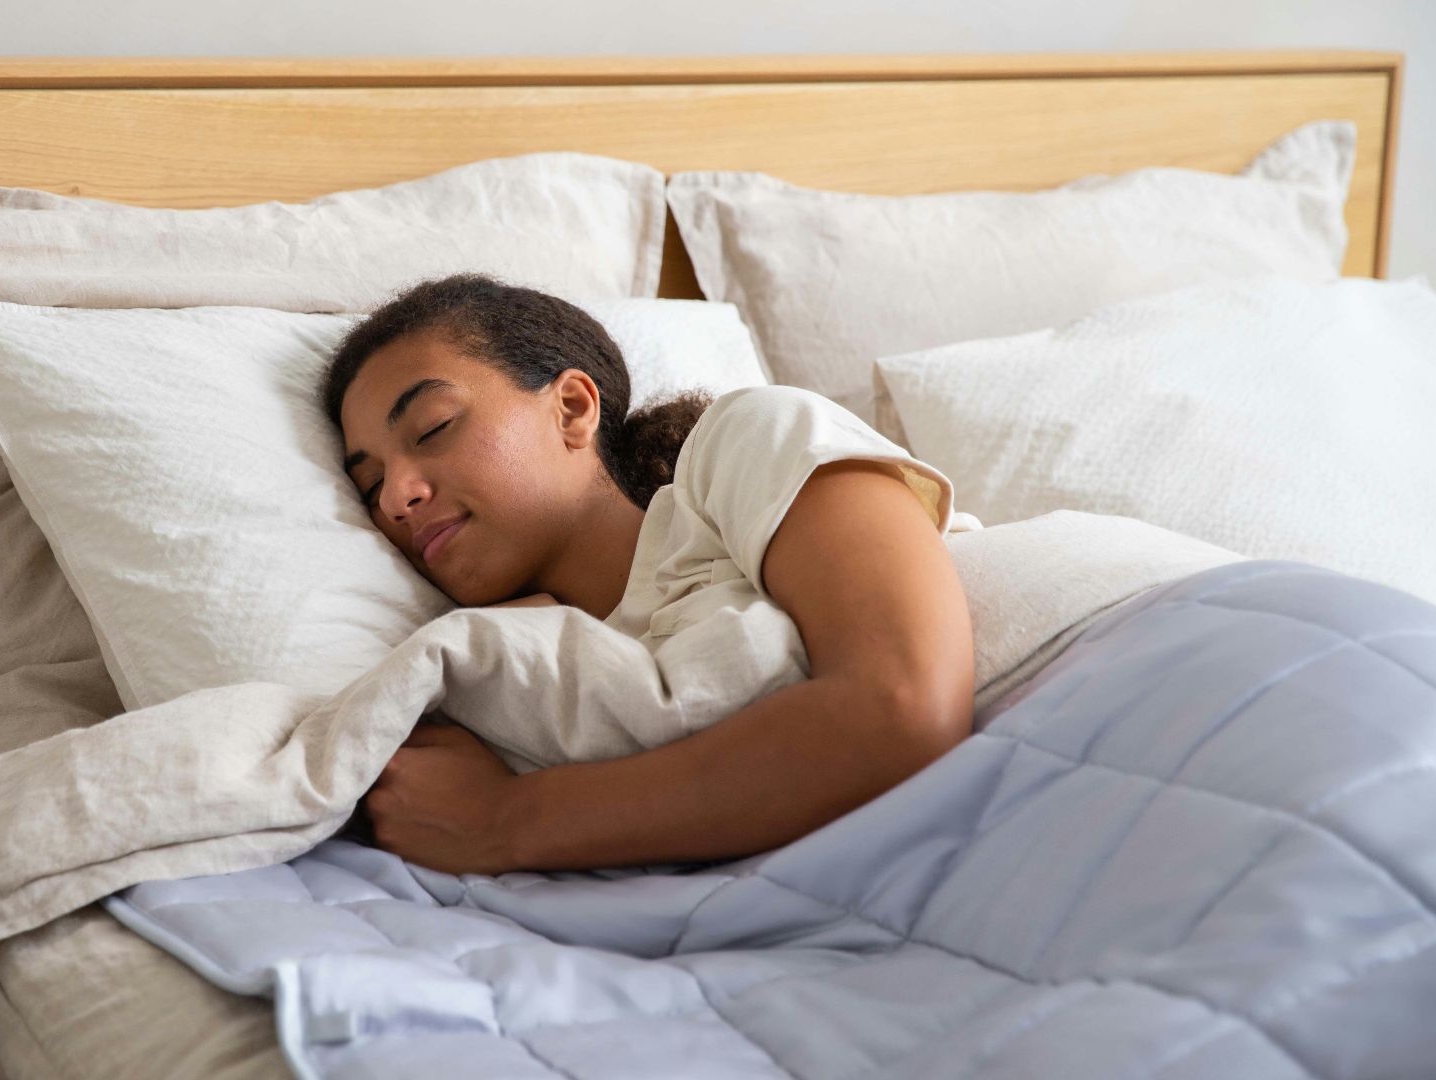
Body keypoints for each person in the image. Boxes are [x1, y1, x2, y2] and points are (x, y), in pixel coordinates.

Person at [323, 272, 974, 876]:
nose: (396, 498)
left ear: (572, 408)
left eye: (433, 427)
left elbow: (903, 705)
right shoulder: (498, 676)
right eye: (370, 485)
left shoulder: (746, 442)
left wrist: (508, 819)